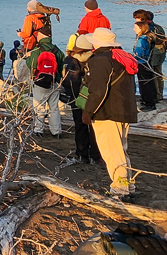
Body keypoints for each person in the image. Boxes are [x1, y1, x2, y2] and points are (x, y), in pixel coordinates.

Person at [83, 28, 139, 198]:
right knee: (121, 150)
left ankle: (119, 190)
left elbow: (98, 90)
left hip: (107, 112)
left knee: (111, 152)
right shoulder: (121, 57)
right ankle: (128, 186)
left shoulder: (100, 60)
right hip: (124, 109)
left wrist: (88, 111)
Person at [62, 35, 101, 164]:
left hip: (76, 98)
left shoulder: (69, 60)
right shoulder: (94, 60)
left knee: (80, 126)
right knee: (94, 127)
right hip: (91, 97)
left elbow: (66, 81)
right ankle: (96, 155)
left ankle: (82, 154)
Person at [26, 31, 66, 137]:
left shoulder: (36, 51)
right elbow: (62, 65)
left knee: (39, 106)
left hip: (40, 82)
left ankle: (38, 129)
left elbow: (31, 65)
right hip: (54, 82)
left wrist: (28, 57)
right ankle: (56, 131)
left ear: (41, 36)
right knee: (54, 107)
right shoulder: (58, 51)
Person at [135, 10, 167, 102]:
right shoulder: (158, 27)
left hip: (153, 53)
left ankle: (155, 95)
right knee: (158, 74)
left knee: (152, 74)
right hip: (161, 52)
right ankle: (159, 94)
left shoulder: (146, 28)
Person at [133, 18, 160, 112]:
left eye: (135, 27)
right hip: (148, 62)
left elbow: (139, 53)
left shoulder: (141, 39)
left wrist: (132, 58)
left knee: (144, 84)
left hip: (142, 63)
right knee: (150, 82)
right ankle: (152, 100)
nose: (134, 29)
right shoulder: (149, 37)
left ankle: (148, 103)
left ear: (140, 28)